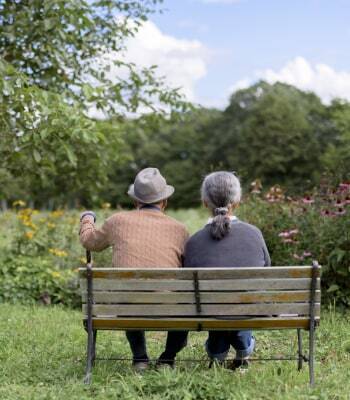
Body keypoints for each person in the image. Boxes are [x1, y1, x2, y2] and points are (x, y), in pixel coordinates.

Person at [79, 167, 189, 371]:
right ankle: (167, 359)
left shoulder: (117, 221)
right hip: (170, 309)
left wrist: (87, 219)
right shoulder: (180, 229)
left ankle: (140, 359)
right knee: (182, 302)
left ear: (136, 201)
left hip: (126, 308)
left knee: (129, 293)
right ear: (164, 202)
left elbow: (89, 242)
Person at [183, 171, 271, 370]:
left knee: (218, 302)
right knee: (241, 300)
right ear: (237, 201)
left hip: (209, 311)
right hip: (248, 308)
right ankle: (243, 348)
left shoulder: (194, 241)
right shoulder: (254, 234)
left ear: (205, 202)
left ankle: (217, 352)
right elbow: (267, 270)